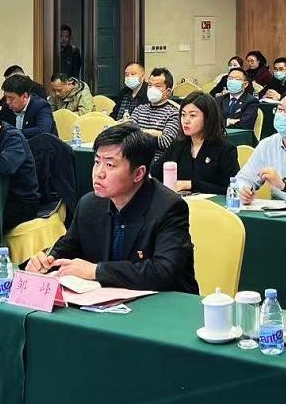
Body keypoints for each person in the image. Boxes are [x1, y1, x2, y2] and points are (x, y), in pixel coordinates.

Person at [25, 125, 198, 293]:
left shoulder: (169, 207)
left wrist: (96, 271)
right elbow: (68, 247)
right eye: (96, 162)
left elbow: (163, 271)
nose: (98, 173)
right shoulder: (89, 204)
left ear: (138, 173)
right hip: (104, 300)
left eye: (110, 165)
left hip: (164, 304)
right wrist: (47, 260)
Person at [150, 91, 240, 195]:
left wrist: (193, 184)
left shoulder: (225, 149)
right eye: (183, 115)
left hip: (212, 204)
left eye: (192, 115)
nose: (186, 121)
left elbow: (233, 189)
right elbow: (155, 173)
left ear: (208, 118)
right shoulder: (178, 145)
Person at [129, 67, 182, 151]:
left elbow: (166, 142)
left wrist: (139, 132)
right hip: (136, 156)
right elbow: (128, 136)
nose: (152, 89)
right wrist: (155, 133)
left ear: (168, 91)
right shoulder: (139, 110)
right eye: (150, 85)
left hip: (159, 158)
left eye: (157, 86)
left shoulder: (174, 114)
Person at [0, 74, 55, 139]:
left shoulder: (41, 106)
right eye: (6, 97)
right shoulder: (7, 106)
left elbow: (42, 131)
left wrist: (13, 133)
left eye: (11, 98)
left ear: (25, 96)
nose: (8, 102)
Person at [214, 67, 259, 132]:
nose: (232, 81)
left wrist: (221, 123)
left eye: (237, 79)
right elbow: (212, 121)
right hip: (219, 135)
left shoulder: (251, 101)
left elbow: (245, 125)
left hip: (239, 136)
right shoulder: (219, 99)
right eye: (230, 78)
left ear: (245, 84)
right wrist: (228, 122)